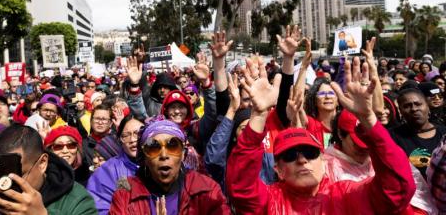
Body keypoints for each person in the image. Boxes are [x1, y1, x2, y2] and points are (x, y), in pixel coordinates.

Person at [226, 57, 416, 214]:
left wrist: (368, 120)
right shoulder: (269, 201)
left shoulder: (348, 194)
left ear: (324, 162)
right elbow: (241, 189)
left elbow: (397, 190)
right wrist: (259, 115)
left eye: (310, 152)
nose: (302, 160)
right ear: (278, 169)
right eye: (290, 155)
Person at [0, 124, 97, 214]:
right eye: (0, 176)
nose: (7, 186)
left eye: (19, 175)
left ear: (42, 163)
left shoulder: (76, 201)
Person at [109, 118, 230, 214]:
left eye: (173, 145)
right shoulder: (126, 194)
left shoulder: (207, 190)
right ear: (144, 158)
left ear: (183, 154)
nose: (164, 155)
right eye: (153, 147)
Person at [87, 115, 144, 214]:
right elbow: (96, 207)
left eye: (137, 134)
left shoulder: (161, 164)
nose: (132, 140)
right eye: (126, 135)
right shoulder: (107, 171)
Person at [389, 86, 446, 177]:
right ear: (400, 111)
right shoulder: (393, 136)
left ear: (427, 106)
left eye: (418, 104)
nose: (414, 109)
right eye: (407, 106)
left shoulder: (444, 133)